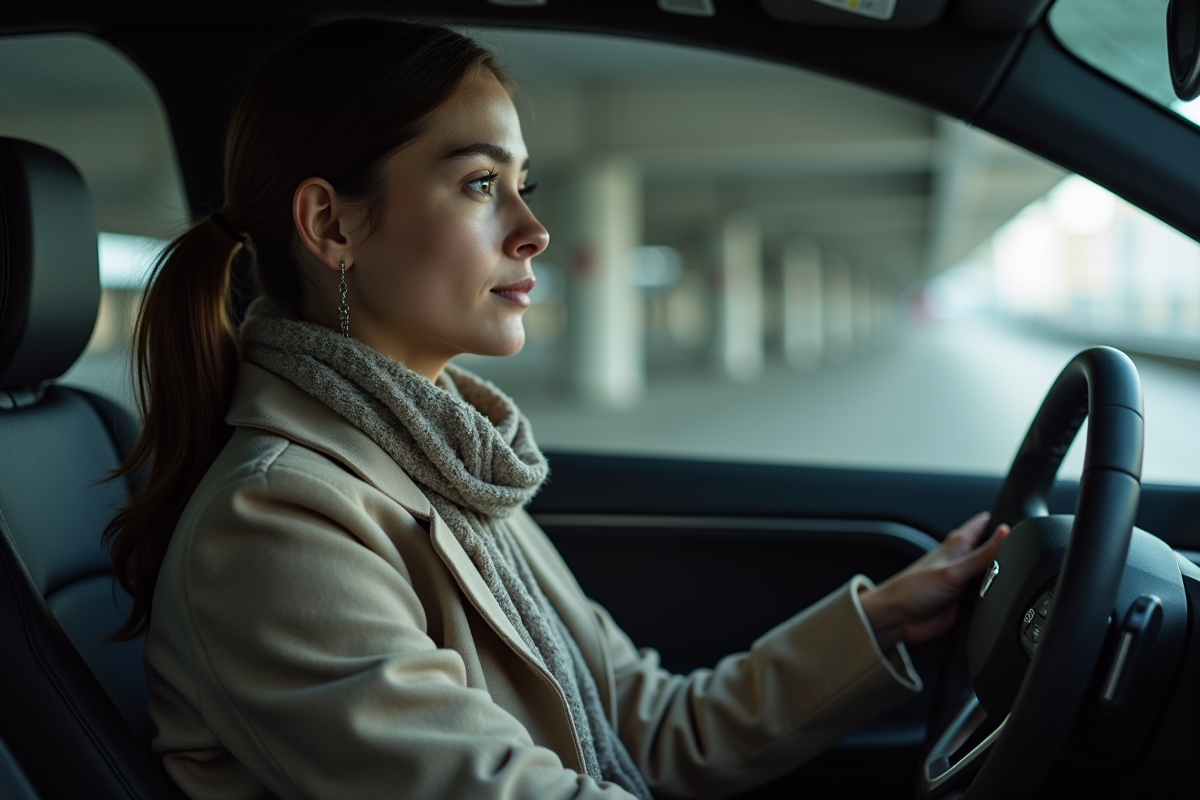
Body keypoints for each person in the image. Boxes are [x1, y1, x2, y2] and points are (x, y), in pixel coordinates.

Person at [105, 19, 1008, 800]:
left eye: (522, 183)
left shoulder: (451, 464)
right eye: (477, 183)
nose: (534, 229)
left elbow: (643, 728)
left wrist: (883, 618)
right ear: (332, 227)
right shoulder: (274, 525)